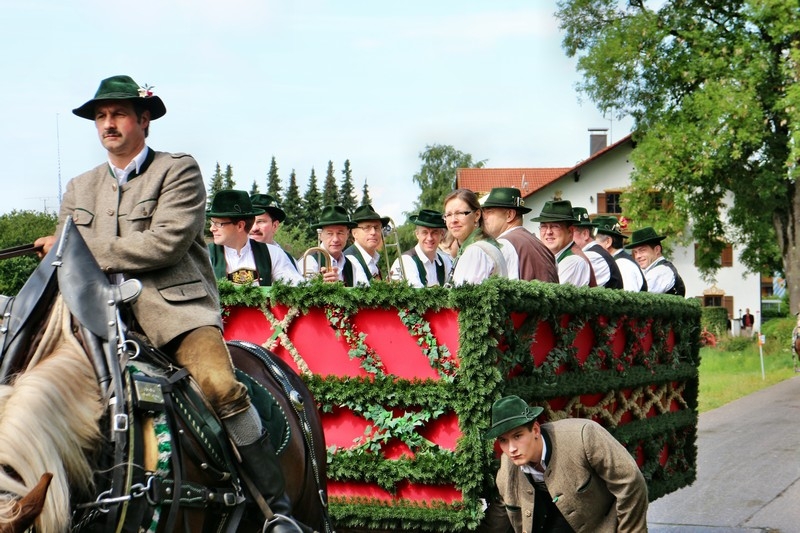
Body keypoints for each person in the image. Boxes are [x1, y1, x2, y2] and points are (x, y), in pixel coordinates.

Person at [33, 76, 307, 532]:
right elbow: (68, 267)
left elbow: (165, 244)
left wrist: (75, 247)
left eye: (118, 114)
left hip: (176, 315)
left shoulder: (178, 171)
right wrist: (59, 256)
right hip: (95, 321)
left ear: (144, 120)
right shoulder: (80, 187)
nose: (108, 124)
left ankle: (276, 509)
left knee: (220, 386)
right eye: (101, 116)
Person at [484, 395, 648, 533]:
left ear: (535, 430)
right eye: (503, 440)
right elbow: (501, 509)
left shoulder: (584, 436)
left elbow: (630, 482)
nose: (511, 449)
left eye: (518, 436)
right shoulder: (507, 467)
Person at [207, 189, 303, 286]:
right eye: (212, 223)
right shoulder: (205, 256)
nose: (212, 229)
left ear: (240, 226)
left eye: (218, 224)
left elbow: (298, 289)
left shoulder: (274, 254)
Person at [480, 187, 558, 283]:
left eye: (489, 212)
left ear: (509, 215)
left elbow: (504, 289)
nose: (484, 217)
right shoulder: (542, 246)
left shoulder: (503, 244)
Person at [444, 188, 507, 285]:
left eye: (460, 213)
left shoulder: (476, 252)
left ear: (477, 215)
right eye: (448, 215)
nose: (453, 220)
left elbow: (465, 294)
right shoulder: (482, 245)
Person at [531, 200, 596, 287]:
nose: (548, 232)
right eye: (544, 226)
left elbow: (553, 293)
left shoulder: (574, 261)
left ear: (570, 231)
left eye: (555, 226)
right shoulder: (555, 257)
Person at [305, 205, 371, 286]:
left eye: (340, 233)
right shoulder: (310, 261)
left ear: (347, 234)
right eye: (330, 233)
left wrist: (339, 287)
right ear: (320, 235)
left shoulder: (352, 265)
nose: (335, 239)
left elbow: (365, 292)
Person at [390, 209, 453, 287]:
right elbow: (416, 294)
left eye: (434, 232)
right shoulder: (406, 261)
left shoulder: (445, 261)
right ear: (417, 234)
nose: (429, 238)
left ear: (442, 235)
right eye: (425, 232)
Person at [571, 207, 623, 289]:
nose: (566, 236)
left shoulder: (593, 257)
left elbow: (569, 288)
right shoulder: (594, 254)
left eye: (570, 231)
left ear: (585, 234)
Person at [625, 227, 686, 296]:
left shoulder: (661, 271)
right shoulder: (651, 270)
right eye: (635, 252)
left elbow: (636, 297)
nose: (637, 256)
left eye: (642, 250)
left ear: (657, 250)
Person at [593, 215, 648, 292]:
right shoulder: (619, 262)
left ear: (608, 242)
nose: (592, 247)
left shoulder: (622, 265)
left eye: (594, 242)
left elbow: (628, 297)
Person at [249, 193, 299, 271]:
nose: (254, 228)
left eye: (261, 221)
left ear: (275, 226)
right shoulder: (232, 256)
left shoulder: (287, 261)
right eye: (250, 222)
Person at [344, 204, 390, 283]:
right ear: (354, 233)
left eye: (376, 228)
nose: (373, 232)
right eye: (367, 228)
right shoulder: (350, 260)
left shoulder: (372, 258)